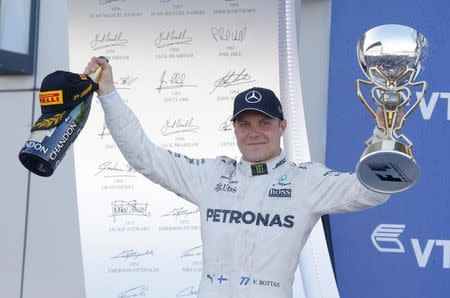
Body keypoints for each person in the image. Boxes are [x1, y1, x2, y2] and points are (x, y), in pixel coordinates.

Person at [84, 57, 390, 298]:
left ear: (282, 127)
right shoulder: (210, 176)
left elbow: (371, 191)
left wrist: (384, 135)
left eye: (264, 122)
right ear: (235, 129)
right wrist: (108, 94)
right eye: (244, 124)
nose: (254, 132)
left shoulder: (306, 181)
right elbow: (143, 155)